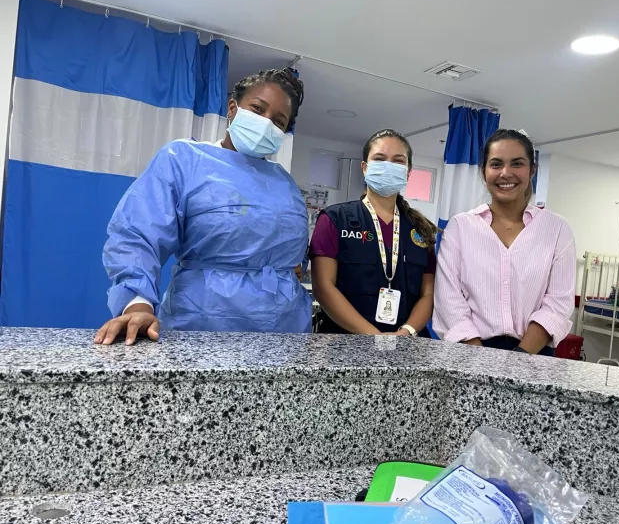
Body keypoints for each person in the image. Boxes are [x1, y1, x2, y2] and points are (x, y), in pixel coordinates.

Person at [95, 68, 311, 345]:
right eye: (257, 109)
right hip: (204, 324)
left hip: (285, 330)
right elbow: (137, 235)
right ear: (232, 108)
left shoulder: (284, 182)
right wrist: (137, 305)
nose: (265, 122)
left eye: (278, 121)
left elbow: (290, 256)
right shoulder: (184, 160)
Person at [433, 129, 575, 355]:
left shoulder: (556, 229)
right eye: (496, 164)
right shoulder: (460, 227)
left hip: (534, 353)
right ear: (484, 171)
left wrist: (519, 358)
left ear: (532, 170)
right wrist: (482, 362)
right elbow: (449, 301)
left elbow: (558, 303)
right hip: (470, 353)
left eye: (517, 164)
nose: (506, 173)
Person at [310, 129, 436, 337]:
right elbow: (324, 287)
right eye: (379, 159)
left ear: (408, 172)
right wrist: (373, 335)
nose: (388, 166)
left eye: (398, 161)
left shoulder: (421, 230)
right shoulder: (334, 219)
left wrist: (406, 332)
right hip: (346, 342)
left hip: (407, 343)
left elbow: (428, 294)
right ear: (365, 168)